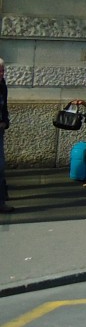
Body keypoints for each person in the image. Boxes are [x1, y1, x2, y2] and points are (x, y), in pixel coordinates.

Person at [0, 58, 12, 213]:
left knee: (0, 166)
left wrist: (5, 122)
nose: (2, 74)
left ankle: (1, 199)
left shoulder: (2, 86)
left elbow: (5, 108)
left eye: (3, 71)